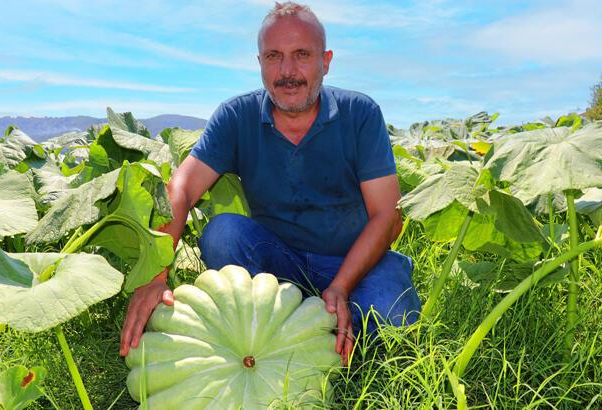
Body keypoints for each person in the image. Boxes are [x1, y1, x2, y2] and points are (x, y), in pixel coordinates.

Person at [120, 1, 421, 365]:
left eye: (302, 55)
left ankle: (323, 324)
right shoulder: (236, 116)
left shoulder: (360, 113)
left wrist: (341, 286)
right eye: (274, 56)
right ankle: (284, 326)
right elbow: (182, 188)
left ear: (325, 61)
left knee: (392, 313)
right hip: (277, 263)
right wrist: (155, 275)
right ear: (260, 62)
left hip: (355, 261)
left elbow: (386, 216)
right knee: (222, 234)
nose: (287, 71)